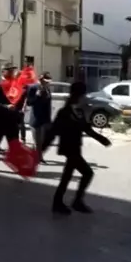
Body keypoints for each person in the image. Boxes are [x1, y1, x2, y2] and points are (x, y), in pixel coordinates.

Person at [42, 81, 111, 215]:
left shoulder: (78, 111)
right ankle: (75, 202)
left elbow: (86, 129)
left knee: (67, 176)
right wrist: (42, 149)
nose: (85, 97)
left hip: (75, 148)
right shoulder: (64, 112)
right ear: (79, 95)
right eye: (83, 94)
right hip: (69, 149)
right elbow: (53, 132)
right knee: (87, 173)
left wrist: (102, 139)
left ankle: (60, 202)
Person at [0, 63, 26, 171]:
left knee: (15, 145)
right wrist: (6, 106)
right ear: (4, 72)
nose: (12, 72)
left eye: (13, 70)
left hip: (12, 121)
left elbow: (20, 101)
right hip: (0, 120)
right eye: (10, 70)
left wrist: (19, 110)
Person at [26, 72, 53, 162]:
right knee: (38, 141)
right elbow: (29, 102)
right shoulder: (33, 88)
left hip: (44, 119)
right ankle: (39, 158)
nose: (47, 83)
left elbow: (48, 105)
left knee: (41, 141)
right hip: (36, 119)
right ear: (41, 79)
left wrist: (49, 119)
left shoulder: (47, 89)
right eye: (46, 81)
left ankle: (33, 154)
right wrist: (37, 96)